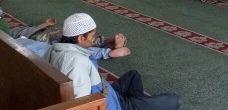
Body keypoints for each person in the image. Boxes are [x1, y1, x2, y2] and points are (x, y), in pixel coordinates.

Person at [46, 13, 180, 110]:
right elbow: (81, 105)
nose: (93, 40)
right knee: (173, 100)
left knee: (133, 76)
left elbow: (90, 51)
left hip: (107, 92)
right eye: (92, 36)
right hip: (112, 104)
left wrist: (110, 48)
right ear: (80, 38)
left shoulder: (57, 48)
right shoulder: (77, 63)